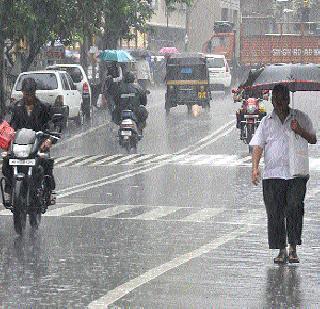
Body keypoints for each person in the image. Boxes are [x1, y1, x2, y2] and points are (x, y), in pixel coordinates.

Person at [250, 84, 317, 264]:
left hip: (296, 174)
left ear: (288, 99)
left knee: (294, 208)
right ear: (272, 101)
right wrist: (255, 168)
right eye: (277, 100)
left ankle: (293, 248)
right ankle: (281, 250)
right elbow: (258, 145)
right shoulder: (266, 122)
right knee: (275, 213)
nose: (281, 103)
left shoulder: (300, 117)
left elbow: (313, 139)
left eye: (284, 99)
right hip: (272, 175)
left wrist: (299, 130)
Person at [2, 77, 55, 205]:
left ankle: (49, 191)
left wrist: (49, 139)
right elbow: (9, 125)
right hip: (20, 146)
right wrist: (6, 133)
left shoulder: (44, 107)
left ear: (35, 92)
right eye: (26, 93)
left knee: (46, 162)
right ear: (22, 93)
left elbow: (51, 126)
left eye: (31, 93)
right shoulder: (16, 107)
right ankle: (9, 191)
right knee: (6, 161)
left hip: (38, 146)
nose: (29, 96)